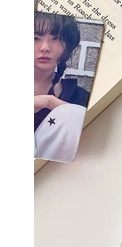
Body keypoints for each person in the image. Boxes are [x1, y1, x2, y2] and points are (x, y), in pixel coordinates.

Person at [34, 12, 90, 162]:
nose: (45, 47)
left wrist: (50, 103)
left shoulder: (79, 97)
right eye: (35, 38)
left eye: (56, 38)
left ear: (68, 45)